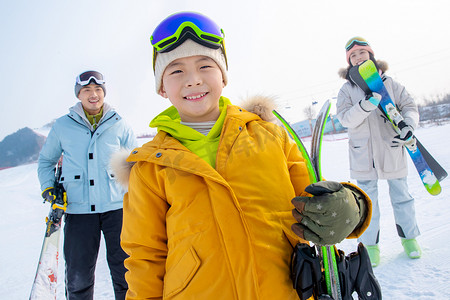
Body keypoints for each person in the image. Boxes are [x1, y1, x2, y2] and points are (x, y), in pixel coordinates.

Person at [115, 12, 372, 299]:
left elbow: (316, 198)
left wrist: (351, 205)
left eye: (205, 65)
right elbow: (145, 256)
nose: (193, 80)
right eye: (176, 71)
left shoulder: (270, 136)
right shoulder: (150, 168)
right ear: (162, 87)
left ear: (223, 75)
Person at [37, 70, 138, 299]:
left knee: (127, 273)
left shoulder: (119, 123)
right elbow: (46, 161)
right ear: (78, 95)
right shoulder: (63, 126)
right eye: (87, 91)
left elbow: (136, 162)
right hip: (79, 210)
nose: (93, 95)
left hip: (117, 209)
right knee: (78, 278)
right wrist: (48, 187)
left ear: (104, 93)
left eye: (98, 90)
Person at [336, 36, 421, 267]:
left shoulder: (391, 84)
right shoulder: (347, 90)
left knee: (402, 197)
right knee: (367, 203)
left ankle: (410, 239)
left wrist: (409, 126)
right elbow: (345, 119)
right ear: (349, 62)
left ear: (371, 55)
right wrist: (365, 105)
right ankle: (370, 247)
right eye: (353, 56)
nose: (358, 58)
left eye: (362, 53)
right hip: (363, 155)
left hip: (392, 149)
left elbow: (410, 107)